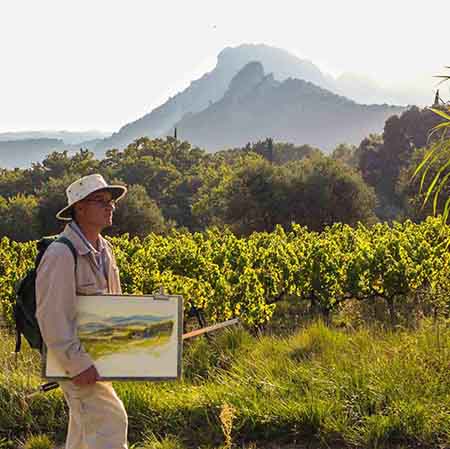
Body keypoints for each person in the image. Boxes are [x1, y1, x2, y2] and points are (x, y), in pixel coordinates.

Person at [36, 173, 129, 449]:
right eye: (100, 201)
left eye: (111, 201)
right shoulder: (61, 254)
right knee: (112, 423)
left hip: (98, 359)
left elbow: (115, 304)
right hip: (79, 363)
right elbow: (52, 317)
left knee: (82, 435)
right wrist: (77, 364)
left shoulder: (105, 250)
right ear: (79, 208)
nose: (109, 206)